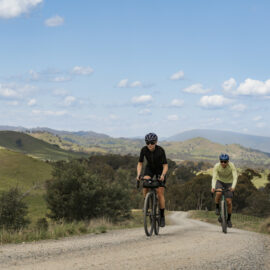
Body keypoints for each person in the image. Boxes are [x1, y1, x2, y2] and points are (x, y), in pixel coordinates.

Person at [136, 132, 168, 227]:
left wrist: (163, 175)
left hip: (160, 170)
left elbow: (165, 165)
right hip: (149, 168)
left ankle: (162, 216)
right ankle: (146, 203)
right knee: (145, 183)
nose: (150, 145)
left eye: (152, 142)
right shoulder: (144, 150)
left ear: (156, 142)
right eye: (148, 143)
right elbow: (140, 163)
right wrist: (138, 174)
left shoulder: (160, 150)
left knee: (160, 192)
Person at [211, 153, 238, 228]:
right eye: (221, 161)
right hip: (220, 181)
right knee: (219, 193)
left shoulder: (232, 166)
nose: (223, 163)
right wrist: (213, 187)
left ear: (228, 161)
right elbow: (214, 177)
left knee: (229, 202)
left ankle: (229, 219)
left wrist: (233, 187)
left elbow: (235, 177)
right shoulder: (217, 166)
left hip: (229, 183)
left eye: (225, 161)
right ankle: (217, 207)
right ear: (220, 161)